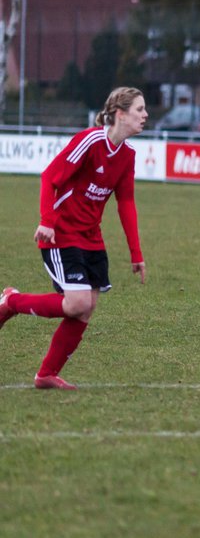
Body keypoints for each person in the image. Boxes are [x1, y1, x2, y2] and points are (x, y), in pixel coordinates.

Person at [0, 87, 149, 390]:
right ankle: (10, 301)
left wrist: (136, 253)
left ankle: (46, 375)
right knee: (77, 302)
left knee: (86, 307)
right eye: (139, 109)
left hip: (91, 238)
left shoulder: (128, 155)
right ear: (120, 114)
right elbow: (49, 176)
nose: (145, 115)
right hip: (62, 233)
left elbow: (126, 203)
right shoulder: (91, 141)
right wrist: (47, 221)